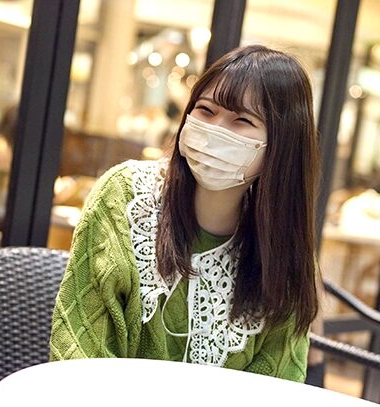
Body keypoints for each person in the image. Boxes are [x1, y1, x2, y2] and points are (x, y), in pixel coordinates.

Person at [50, 44, 321, 382]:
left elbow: (278, 389)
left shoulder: (283, 251)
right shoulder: (125, 197)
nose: (216, 129)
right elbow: (77, 354)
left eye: (242, 120)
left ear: (282, 147)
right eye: (206, 110)